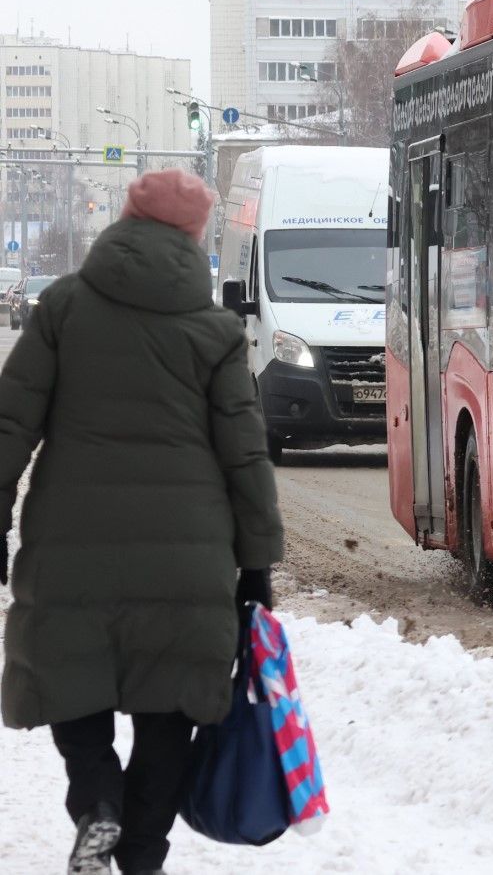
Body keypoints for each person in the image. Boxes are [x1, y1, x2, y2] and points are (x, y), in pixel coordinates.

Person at [0, 168, 284, 875]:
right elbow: (245, 455)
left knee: (75, 681)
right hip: (189, 560)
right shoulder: (216, 332)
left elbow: (10, 426)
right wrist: (257, 565)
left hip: (72, 547)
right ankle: (142, 857)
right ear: (195, 237)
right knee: (170, 716)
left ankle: (97, 801)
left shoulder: (63, 306)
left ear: (123, 220)